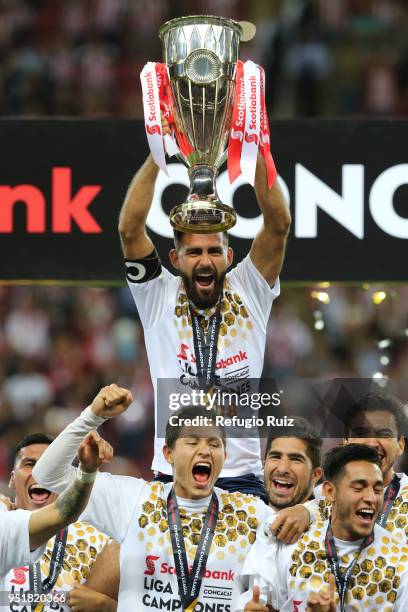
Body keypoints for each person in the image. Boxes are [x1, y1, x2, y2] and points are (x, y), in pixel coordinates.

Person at [118, 122, 291, 499]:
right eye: (194, 252)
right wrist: (158, 152)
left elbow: (278, 224)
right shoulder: (156, 294)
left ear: (230, 256)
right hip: (171, 474)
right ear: (175, 258)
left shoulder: (250, 289)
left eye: (214, 251)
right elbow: (130, 229)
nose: (205, 260)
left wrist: (253, 142)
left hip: (242, 477)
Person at [33, 384, 279, 611]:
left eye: (214, 445)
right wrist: (93, 416)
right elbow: (47, 475)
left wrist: (306, 512)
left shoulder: (252, 514)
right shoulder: (133, 500)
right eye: (192, 442)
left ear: (224, 456)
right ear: (168, 454)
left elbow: (284, 571)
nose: (204, 450)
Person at [237, 444, 408, 611]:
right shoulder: (290, 544)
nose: (371, 498)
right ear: (330, 492)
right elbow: (257, 602)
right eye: (358, 488)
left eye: (378, 490)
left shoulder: (400, 561)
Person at [4, 433, 116, 612]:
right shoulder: (4, 527)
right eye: (30, 464)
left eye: (51, 466)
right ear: (11, 479)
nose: (39, 473)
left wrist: (108, 606)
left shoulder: (98, 540)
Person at [310, 391, 408, 542]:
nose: (371, 443)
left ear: (400, 445)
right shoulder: (319, 496)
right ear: (346, 441)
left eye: (383, 434)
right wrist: (303, 511)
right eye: (361, 434)